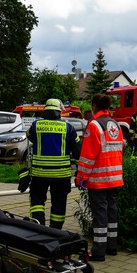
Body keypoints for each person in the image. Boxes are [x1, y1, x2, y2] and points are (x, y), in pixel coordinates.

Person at [76, 94, 125, 261]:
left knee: (100, 213)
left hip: (99, 178)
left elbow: (88, 155)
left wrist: (81, 177)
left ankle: (98, 250)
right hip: (115, 176)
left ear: (94, 106)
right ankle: (112, 246)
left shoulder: (94, 125)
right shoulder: (115, 124)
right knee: (112, 210)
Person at [26, 98, 81, 229]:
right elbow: (78, 150)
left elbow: (29, 136)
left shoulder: (35, 125)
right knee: (59, 203)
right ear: (59, 112)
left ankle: (39, 229)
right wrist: (80, 169)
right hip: (61, 175)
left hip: (39, 174)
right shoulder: (68, 128)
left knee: (37, 201)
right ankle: (56, 232)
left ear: (45, 111)